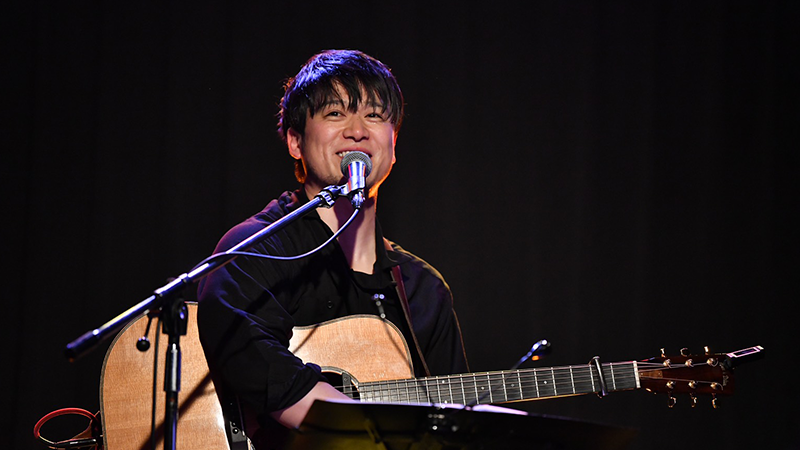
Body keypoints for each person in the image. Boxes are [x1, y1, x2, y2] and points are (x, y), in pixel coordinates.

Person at [197, 49, 470, 434]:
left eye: (374, 115)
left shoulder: (423, 290)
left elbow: (452, 423)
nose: (357, 130)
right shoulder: (255, 248)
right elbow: (250, 357)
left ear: (393, 144)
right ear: (295, 141)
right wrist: (358, 425)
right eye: (335, 113)